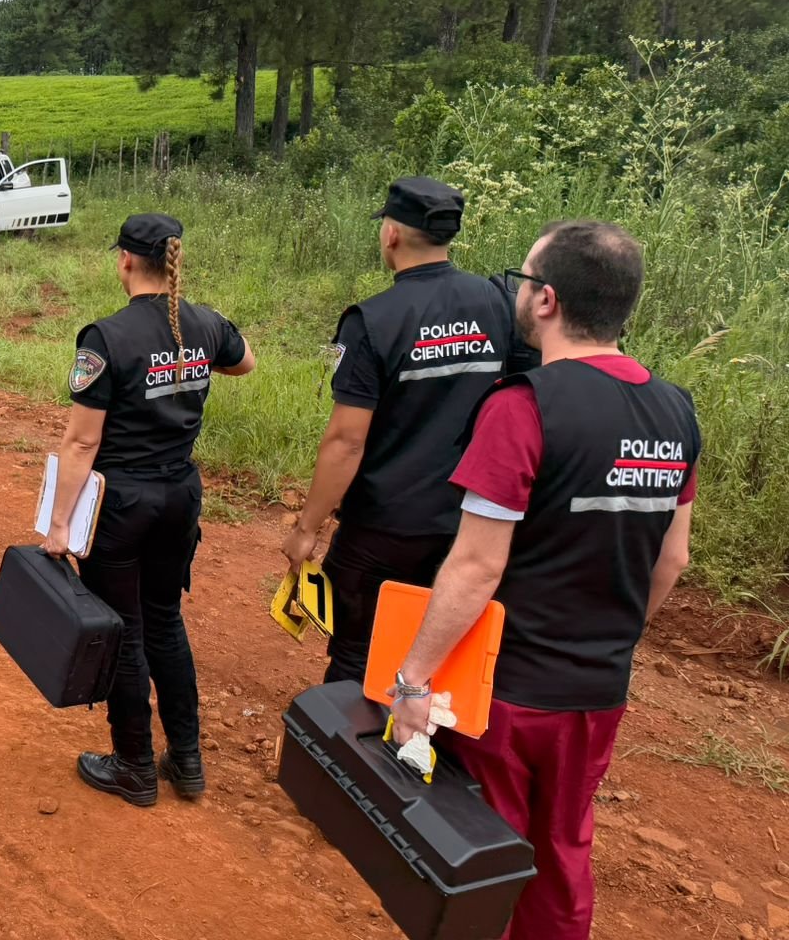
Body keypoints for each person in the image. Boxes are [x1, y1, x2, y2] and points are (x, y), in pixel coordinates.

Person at [389, 220, 699, 940]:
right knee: (562, 853)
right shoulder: (676, 410)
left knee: (481, 856)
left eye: (523, 281)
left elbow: (476, 566)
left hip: (507, 692)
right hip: (597, 690)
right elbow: (672, 559)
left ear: (548, 299)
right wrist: (607, 641)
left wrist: (412, 682)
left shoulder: (522, 406)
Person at [282, 177, 530, 684]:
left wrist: (307, 528)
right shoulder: (498, 303)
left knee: (357, 654)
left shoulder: (372, 320)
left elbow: (347, 441)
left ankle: (350, 737)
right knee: (441, 659)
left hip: (384, 527)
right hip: (470, 523)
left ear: (391, 234)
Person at [43, 213, 254, 808]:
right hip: (179, 495)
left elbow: (81, 443)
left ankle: (134, 766)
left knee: (125, 629)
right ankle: (185, 759)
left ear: (126, 261)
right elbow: (245, 362)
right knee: (165, 622)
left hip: (121, 505)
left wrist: (59, 525)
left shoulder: (105, 338)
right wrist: (193, 359)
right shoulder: (204, 323)